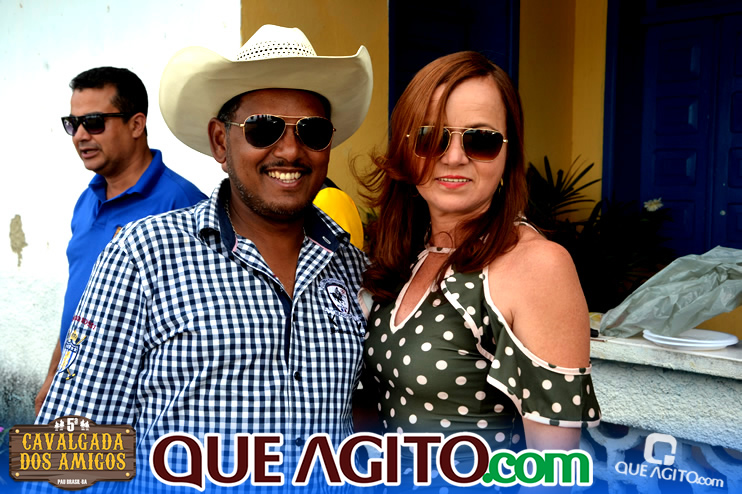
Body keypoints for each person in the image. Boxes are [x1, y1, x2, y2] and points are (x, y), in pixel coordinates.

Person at [35, 25, 373, 487]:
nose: (291, 150)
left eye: (311, 132)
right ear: (219, 142)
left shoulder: (353, 269)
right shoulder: (143, 255)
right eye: (264, 129)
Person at [359, 51, 600, 481]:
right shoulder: (406, 253)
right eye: (431, 138)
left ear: (509, 154)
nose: (454, 157)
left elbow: (552, 473)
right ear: (406, 149)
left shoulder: (537, 265)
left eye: (481, 140)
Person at [34, 66, 206, 415]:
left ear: (136, 124)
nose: (80, 136)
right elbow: (80, 300)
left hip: (138, 405)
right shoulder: (87, 201)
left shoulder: (184, 206)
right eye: (73, 124)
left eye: (94, 122)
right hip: (76, 394)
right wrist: (54, 375)